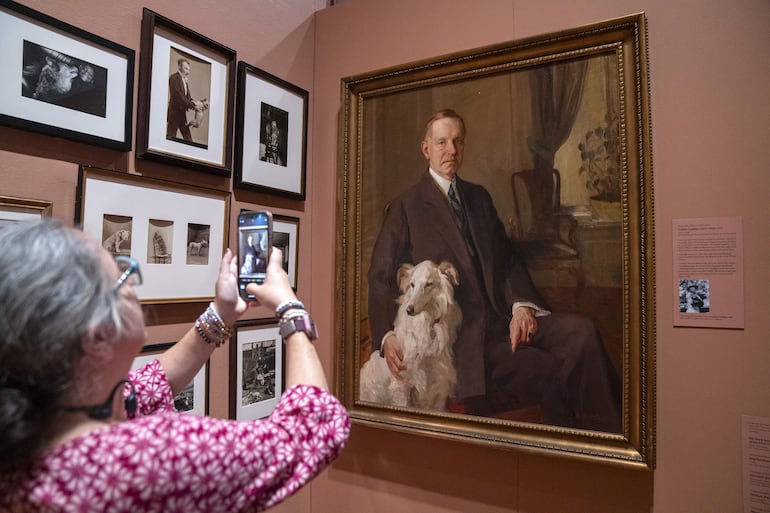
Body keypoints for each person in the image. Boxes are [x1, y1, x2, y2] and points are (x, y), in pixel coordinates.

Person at [0, 218, 349, 512]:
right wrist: (289, 307)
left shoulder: (28, 433)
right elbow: (308, 431)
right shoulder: (148, 458)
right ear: (96, 338)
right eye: (121, 277)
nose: (133, 284)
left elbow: (148, 388)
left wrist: (221, 312)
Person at [367, 109, 621, 432]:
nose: (452, 151)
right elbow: (379, 276)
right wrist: (386, 337)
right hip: (465, 342)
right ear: (426, 149)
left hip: (503, 320)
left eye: (458, 141)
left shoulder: (478, 197)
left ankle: (616, 437)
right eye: (442, 142)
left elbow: (508, 259)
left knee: (583, 333)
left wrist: (521, 306)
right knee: (555, 369)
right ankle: (586, 453)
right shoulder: (406, 206)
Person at [166, 58, 202, 141]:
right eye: (186, 68)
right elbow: (179, 97)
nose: (188, 72)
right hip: (174, 115)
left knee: (189, 140)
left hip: (182, 115)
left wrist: (196, 103)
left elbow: (187, 97)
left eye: (188, 69)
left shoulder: (185, 81)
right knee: (170, 139)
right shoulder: (173, 78)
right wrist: (193, 106)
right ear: (179, 67)